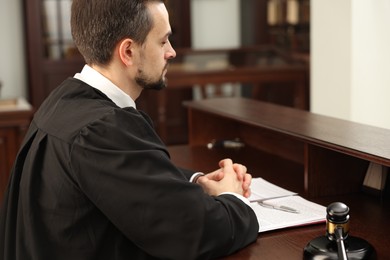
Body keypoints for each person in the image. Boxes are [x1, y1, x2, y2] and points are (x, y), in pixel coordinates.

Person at [0, 0, 259, 259]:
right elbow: (198, 233)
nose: (172, 52)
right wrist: (232, 196)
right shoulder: (105, 128)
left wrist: (197, 183)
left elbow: (126, 172)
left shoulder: (63, 99)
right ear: (128, 52)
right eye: (163, 41)